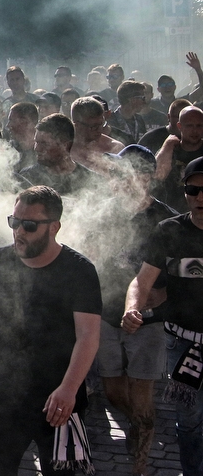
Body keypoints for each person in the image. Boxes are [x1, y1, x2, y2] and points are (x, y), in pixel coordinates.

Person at [0, 186, 102, 476]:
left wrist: (69, 389)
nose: (19, 231)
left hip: (59, 397)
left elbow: (88, 336)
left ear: (54, 227)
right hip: (6, 391)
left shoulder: (79, 271)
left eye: (30, 225)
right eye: (14, 222)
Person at [89, 145, 175, 475]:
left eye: (129, 173)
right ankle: (138, 427)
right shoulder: (106, 212)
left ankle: (139, 467)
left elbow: (183, 272)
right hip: (108, 315)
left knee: (141, 397)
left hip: (148, 322)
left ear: (145, 177)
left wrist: (166, 293)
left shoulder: (164, 220)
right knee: (112, 392)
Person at [123, 155, 203, 476]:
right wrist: (132, 306)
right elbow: (141, 280)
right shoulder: (169, 231)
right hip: (183, 346)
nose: (200, 198)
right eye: (192, 190)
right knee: (190, 421)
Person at [19, 114, 99, 196]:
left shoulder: (88, 180)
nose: (37, 148)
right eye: (36, 142)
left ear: (65, 145)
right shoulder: (27, 177)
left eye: (44, 143)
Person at [154, 106, 203, 213]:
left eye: (199, 126)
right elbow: (156, 177)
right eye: (189, 126)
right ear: (179, 126)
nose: (194, 130)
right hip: (171, 215)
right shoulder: (169, 151)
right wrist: (166, 147)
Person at [71, 96, 123, 173]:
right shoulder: (65, 149)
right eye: (93, 126)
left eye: (101, 124)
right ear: (77, 125)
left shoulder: (114, 148)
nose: (99, 129)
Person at [5, 102, 38, 174]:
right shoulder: (9, 149)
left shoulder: (42, 150)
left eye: (11, 120)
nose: (8, 126)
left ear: (25, 122)